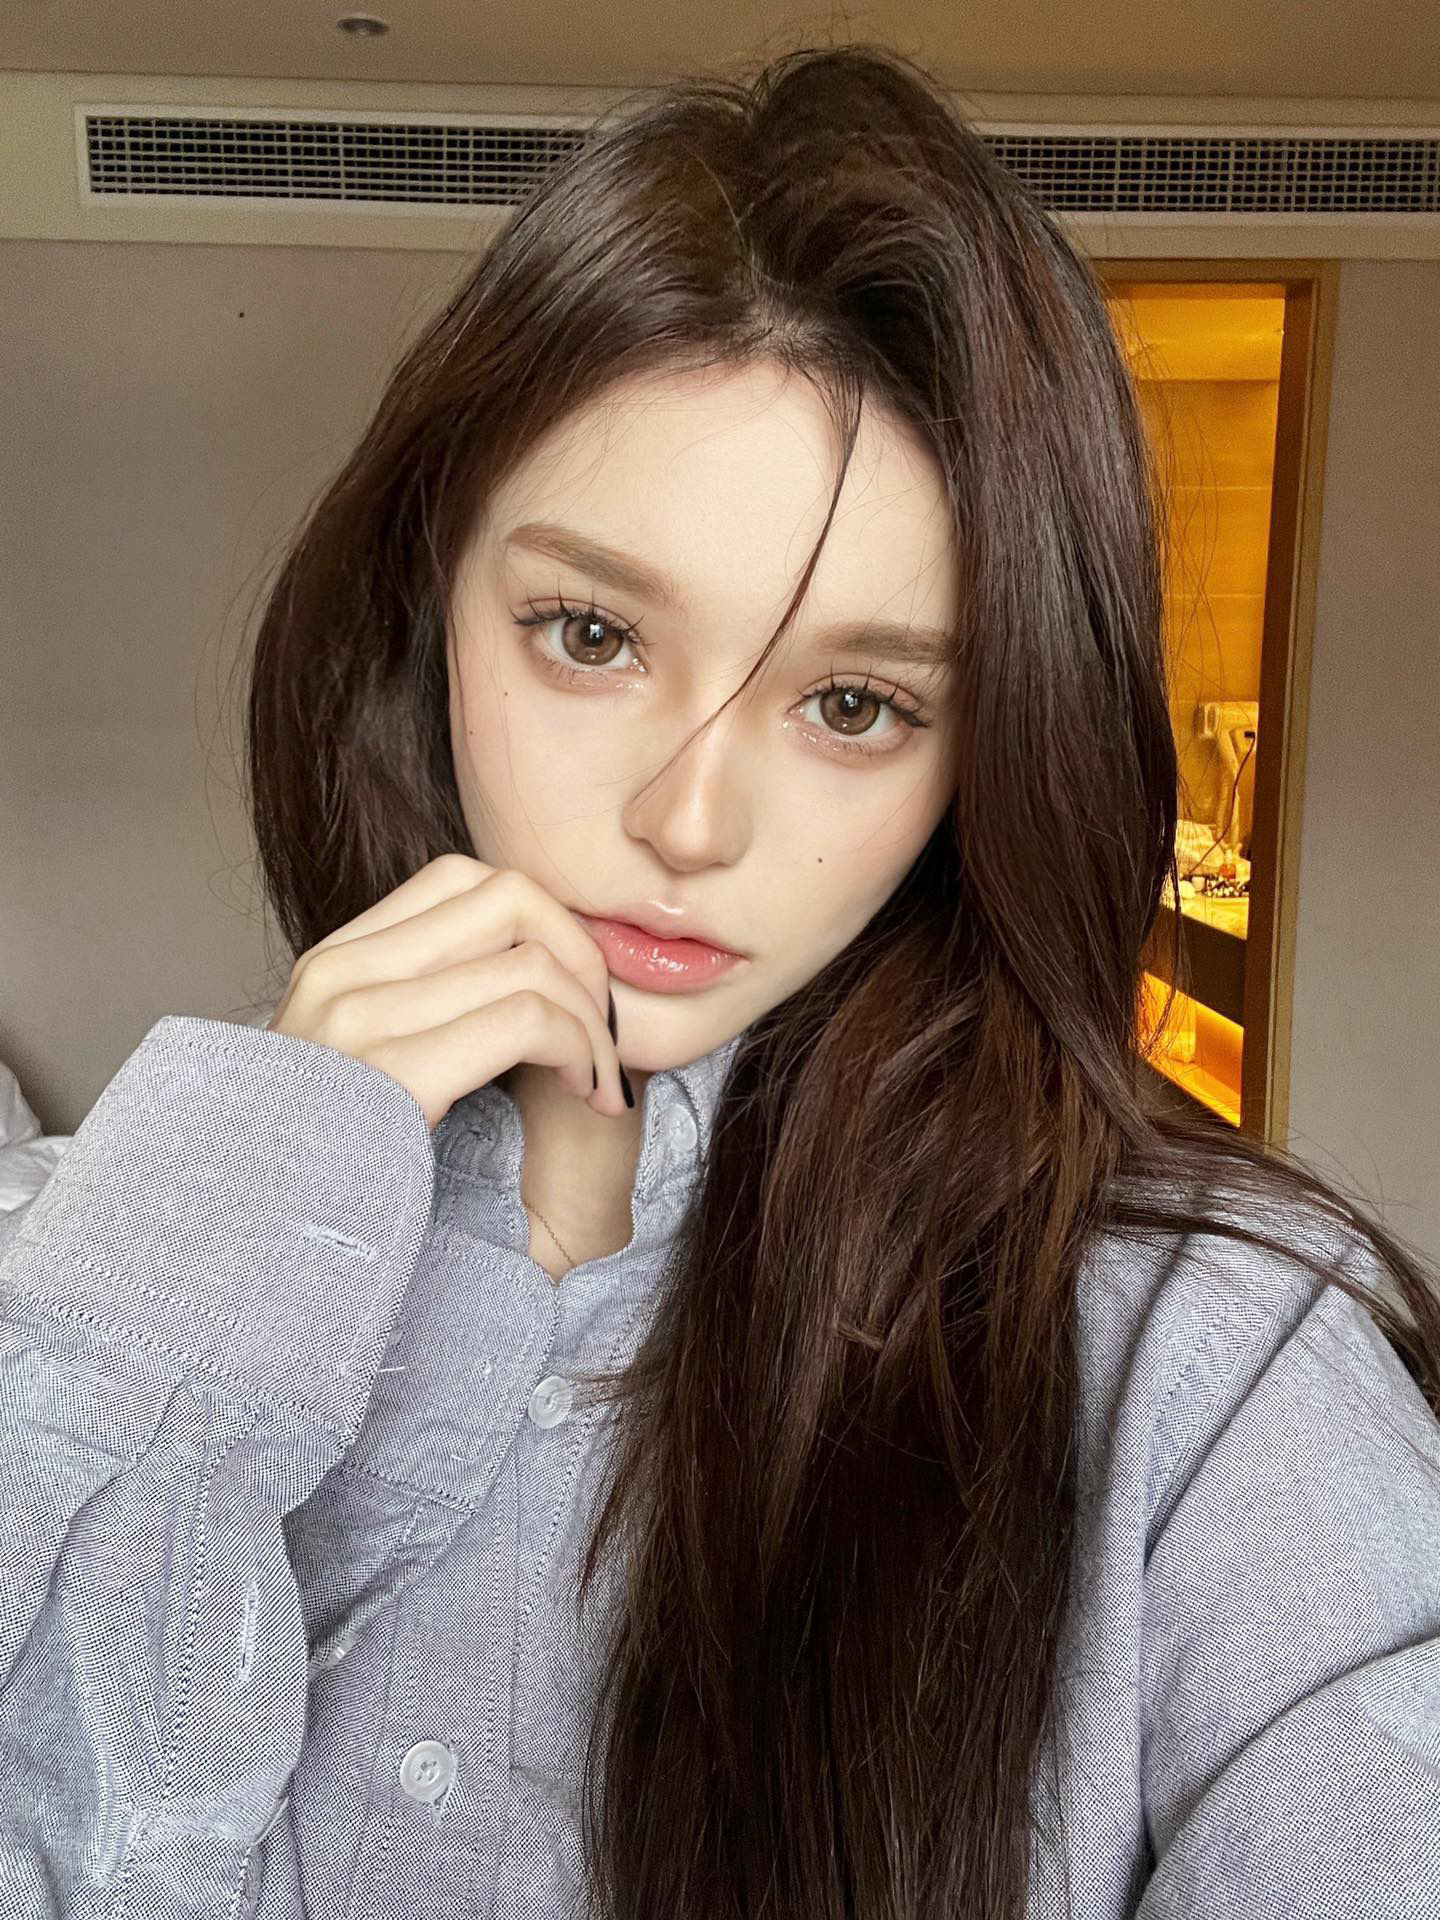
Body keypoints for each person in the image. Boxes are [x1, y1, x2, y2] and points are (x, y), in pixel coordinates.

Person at [1, 40, 1437, 1920]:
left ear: (987, 748)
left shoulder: (1209, 1359)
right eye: (591, 634)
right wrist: (228, 1230)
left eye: (855, 704)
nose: (688, 821)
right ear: (427, 611)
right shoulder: (113, 1272)